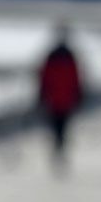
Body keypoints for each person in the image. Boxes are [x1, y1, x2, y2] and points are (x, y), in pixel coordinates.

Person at [38, 26, 83, 170]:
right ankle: (59, 149)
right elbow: (75, 78)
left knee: (58, 127)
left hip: (57, 99)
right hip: (63, 99)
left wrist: (42, 93)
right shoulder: (68, 56)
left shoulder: (58, 56)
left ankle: (59, 149)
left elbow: (44, 77)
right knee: (61, 127)